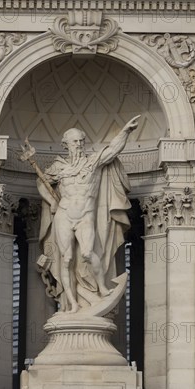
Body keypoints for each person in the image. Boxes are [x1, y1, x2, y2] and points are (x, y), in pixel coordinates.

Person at [21, 115, 140, 313]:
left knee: (86, 253)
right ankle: (72, 303)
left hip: (85, 214)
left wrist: (125, 131)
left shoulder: (92, 163)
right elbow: (42, 183)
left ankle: (102, 287)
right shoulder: (59, 167)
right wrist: (51, 201)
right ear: (65, 144)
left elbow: (112, 150)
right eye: (75, 141)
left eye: (81, 141)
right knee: (66, 259)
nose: (79, 144)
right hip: (64, 214)